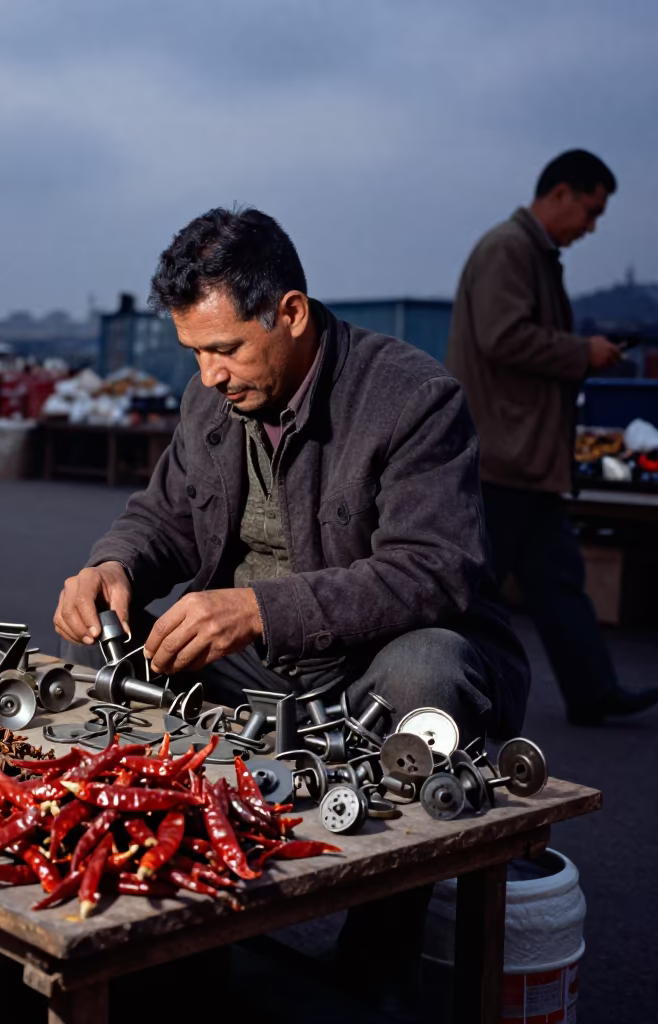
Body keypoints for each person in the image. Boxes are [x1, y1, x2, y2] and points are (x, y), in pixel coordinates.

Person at [55, 208, 531, 1014]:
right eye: (195, 352)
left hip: (372, 664)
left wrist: (257, 609)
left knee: (429, 671)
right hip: (263, 667)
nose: (209, 374)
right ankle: (181, 920)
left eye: (225, 349)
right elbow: (163, 515)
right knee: (103, 646)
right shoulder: (211, 402)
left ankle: (379, 950)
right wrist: (112, 563)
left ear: (292, 313)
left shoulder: (413, 399)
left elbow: (434, 571)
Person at [447, 150, 658, 726]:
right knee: (472, 590)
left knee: (557, 582)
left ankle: (592, 690)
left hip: (522, 456)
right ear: (561, 193)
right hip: (504, 455)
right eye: (590, 210)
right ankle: (440, 695)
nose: (591, 226)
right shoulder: (510, 250)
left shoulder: (526, 251)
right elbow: (501, 336)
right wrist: (581, 353)